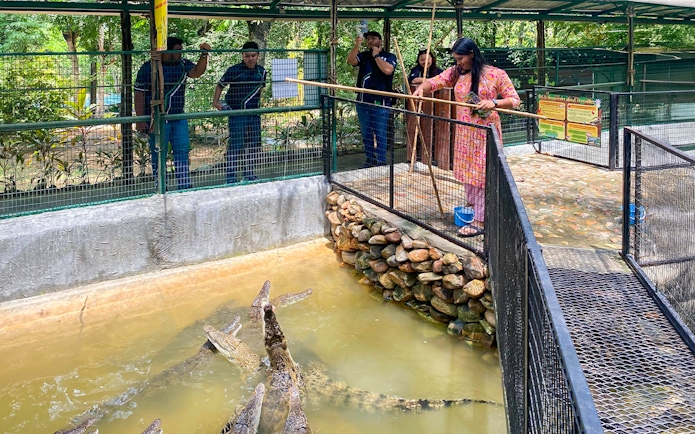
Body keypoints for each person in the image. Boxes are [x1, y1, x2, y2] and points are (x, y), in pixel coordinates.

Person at [413, 37, 520, 237]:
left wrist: (493, 103)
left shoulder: (496, 74)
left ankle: (480, 220)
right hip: (464, 132)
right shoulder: (457, 72)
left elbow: (514, 100)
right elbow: (436, 81)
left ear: (471, 54)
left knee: (481, 175)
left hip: (485, 132)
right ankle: (475, 207)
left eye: (460, 58)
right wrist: (422, 89)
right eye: (455, 58)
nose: (458, 62)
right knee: (467, 173)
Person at [134, 36, 210, 190]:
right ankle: (161, 186)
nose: (180, 54)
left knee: (182, 151)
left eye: (181, 51)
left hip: (178, 117)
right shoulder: (149, 67)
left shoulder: (182, 64)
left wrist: (204, 55)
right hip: (158, 119)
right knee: (158, 153)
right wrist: (140, 119)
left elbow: (196, 72)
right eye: (177, 51)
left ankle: (184, 185)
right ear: (166, 51)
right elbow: (139, 94)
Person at [213, 41, 266, 183]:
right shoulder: (234, 70)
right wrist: (216, 102)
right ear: (242, 55)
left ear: (258, 56)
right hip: (237, 113)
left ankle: (249, 174)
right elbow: (220, 85)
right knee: (236, 145)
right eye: (247, 55)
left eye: (253, 55)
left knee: (253, 144)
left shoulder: (262, 72)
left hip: (254, 114)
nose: (250, 58)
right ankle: (231, 178)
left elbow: (260, 90)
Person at [347, 30, 397, 168]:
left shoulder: (389, 56)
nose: (370, 41)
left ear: (380, 41)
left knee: (380, 133)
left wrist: (376, 56)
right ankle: (370, 159)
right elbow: (351, 60)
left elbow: (388, 70)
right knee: (366, 132)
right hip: (363, 101)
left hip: (381, 102)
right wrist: (357, 46)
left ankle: (381, 161)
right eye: (368, 39)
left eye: (373, 38)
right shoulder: (363, 56)